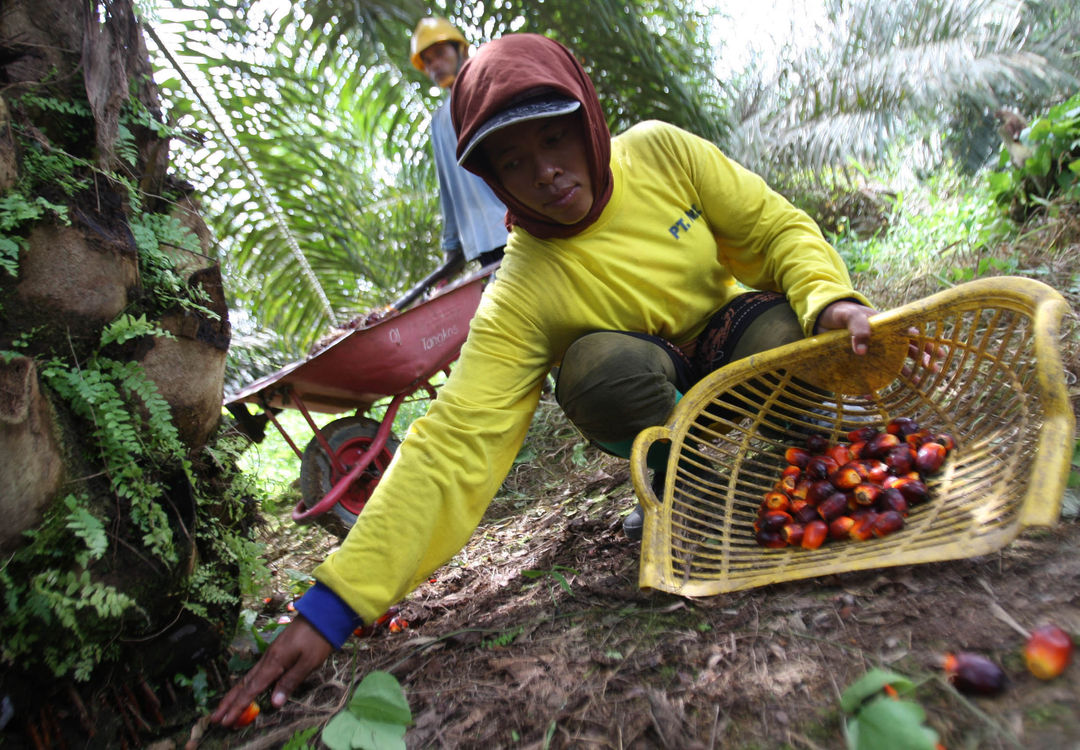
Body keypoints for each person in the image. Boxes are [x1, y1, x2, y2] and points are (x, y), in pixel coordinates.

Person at [211, 33, 877, 727]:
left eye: (557, 140)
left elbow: (773, 229)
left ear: (588, 118)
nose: (547, 173)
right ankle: (698, 492)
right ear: (494, 179)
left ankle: (825, 451)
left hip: (728, 326)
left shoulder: (660, 152)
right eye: (514, 162)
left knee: (787, 344)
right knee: (595, 373)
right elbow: (454, 444)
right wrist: (332, 607)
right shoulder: (522, 288)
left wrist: (829, 298)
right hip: (651, 374)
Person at [410, 17, 507, 274]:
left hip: (520, 226)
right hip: (484, 247)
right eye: (428, 61)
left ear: (460, 49)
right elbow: (448, 190)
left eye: (440, 54)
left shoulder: (486, 89)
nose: (435, 66)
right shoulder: (439, 122)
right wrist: (452, 248)